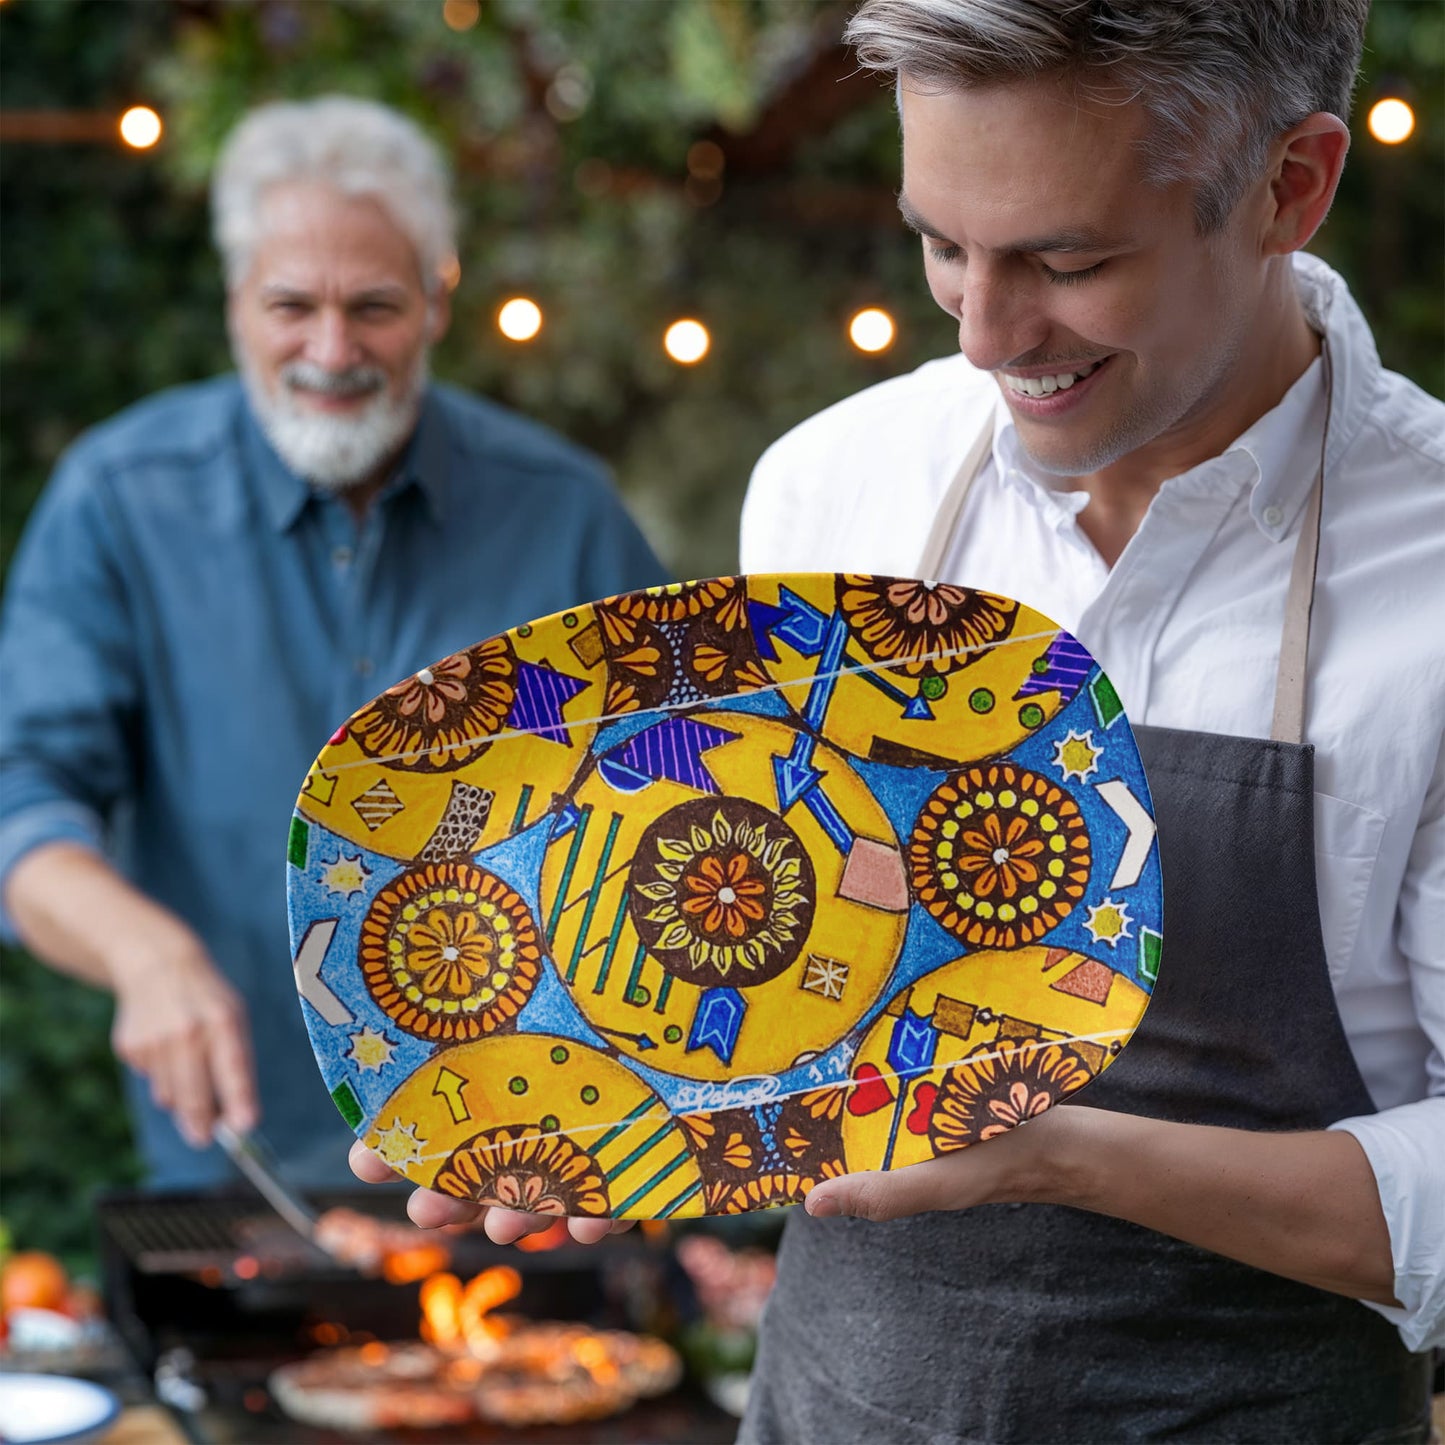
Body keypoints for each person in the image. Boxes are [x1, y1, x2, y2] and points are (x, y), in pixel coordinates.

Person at [357, 1, 1445, 1438]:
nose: (989, 334)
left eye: (1068, 260)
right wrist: (612, 1089)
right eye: (941, 244)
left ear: (1289, 188)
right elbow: (772, 972)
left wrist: (1056, 1155)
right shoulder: (836, 486)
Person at [0, 96, 668, 1191]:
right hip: (234, 1172)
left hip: (524, 1164)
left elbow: (683, 791)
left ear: (439, 299)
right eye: (289, 305)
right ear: (233, 303)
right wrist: (142, 950)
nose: (331, 348)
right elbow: (22, 802)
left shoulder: (566, 513)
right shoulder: (119, 499)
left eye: (373, 306)